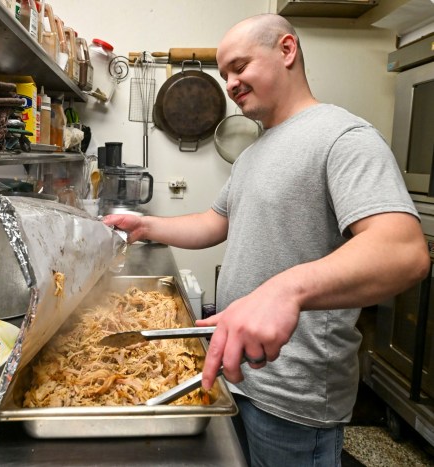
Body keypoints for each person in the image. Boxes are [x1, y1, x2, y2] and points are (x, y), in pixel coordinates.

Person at [103, 13, 430, 467]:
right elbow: (215, 223)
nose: (231, 83)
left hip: (294, 397)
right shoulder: (254, 151)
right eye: (225, 75)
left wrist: (286, 288)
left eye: (240, 67)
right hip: (237, 376)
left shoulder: (343, 136)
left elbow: (404, 252)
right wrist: (147, 225)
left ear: (287, 50)